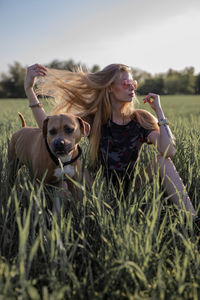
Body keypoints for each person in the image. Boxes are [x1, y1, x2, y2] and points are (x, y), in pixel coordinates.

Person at [24, 63, 200, 227]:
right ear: (109, 87)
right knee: (64, 183)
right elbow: (47, 127)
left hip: (131, 192)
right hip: (95, 191)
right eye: (125, 83)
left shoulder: (141, 119)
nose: (131, 87)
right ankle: (55, 233)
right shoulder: (94, 119)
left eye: (133, 83)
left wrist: (159, 112)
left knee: (163, 161)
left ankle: (193, 221)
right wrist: (29, 89)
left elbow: (169, 150)